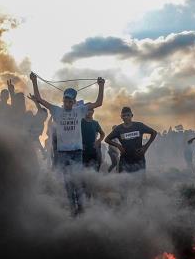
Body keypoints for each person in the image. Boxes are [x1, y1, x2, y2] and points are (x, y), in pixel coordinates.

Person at [29, 72, 105, 215]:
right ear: (63, 100)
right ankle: (73, 209)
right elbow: (39, 99)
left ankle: (81, 209)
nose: (68, 103)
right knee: (68, 182)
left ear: (74, 101)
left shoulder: (79, 111)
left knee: (77, 180)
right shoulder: (56, 110)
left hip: (77, 152)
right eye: (66, 100)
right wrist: (34, 81)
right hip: (63, 153)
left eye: (70, 101)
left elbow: (98, 103)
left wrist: (101, 86)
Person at [104, 107, 158, 173]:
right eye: (124, 116)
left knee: (140, 179)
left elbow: (154, 133)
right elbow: (107, 139)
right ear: (121, 117)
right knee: (124, 178)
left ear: (132, 115)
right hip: (125, 160)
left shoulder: (139, 126)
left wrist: (145, 147)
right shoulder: (118, 129)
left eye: (128, 115)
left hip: (138, 159)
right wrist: (118, 146)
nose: (126, 117)